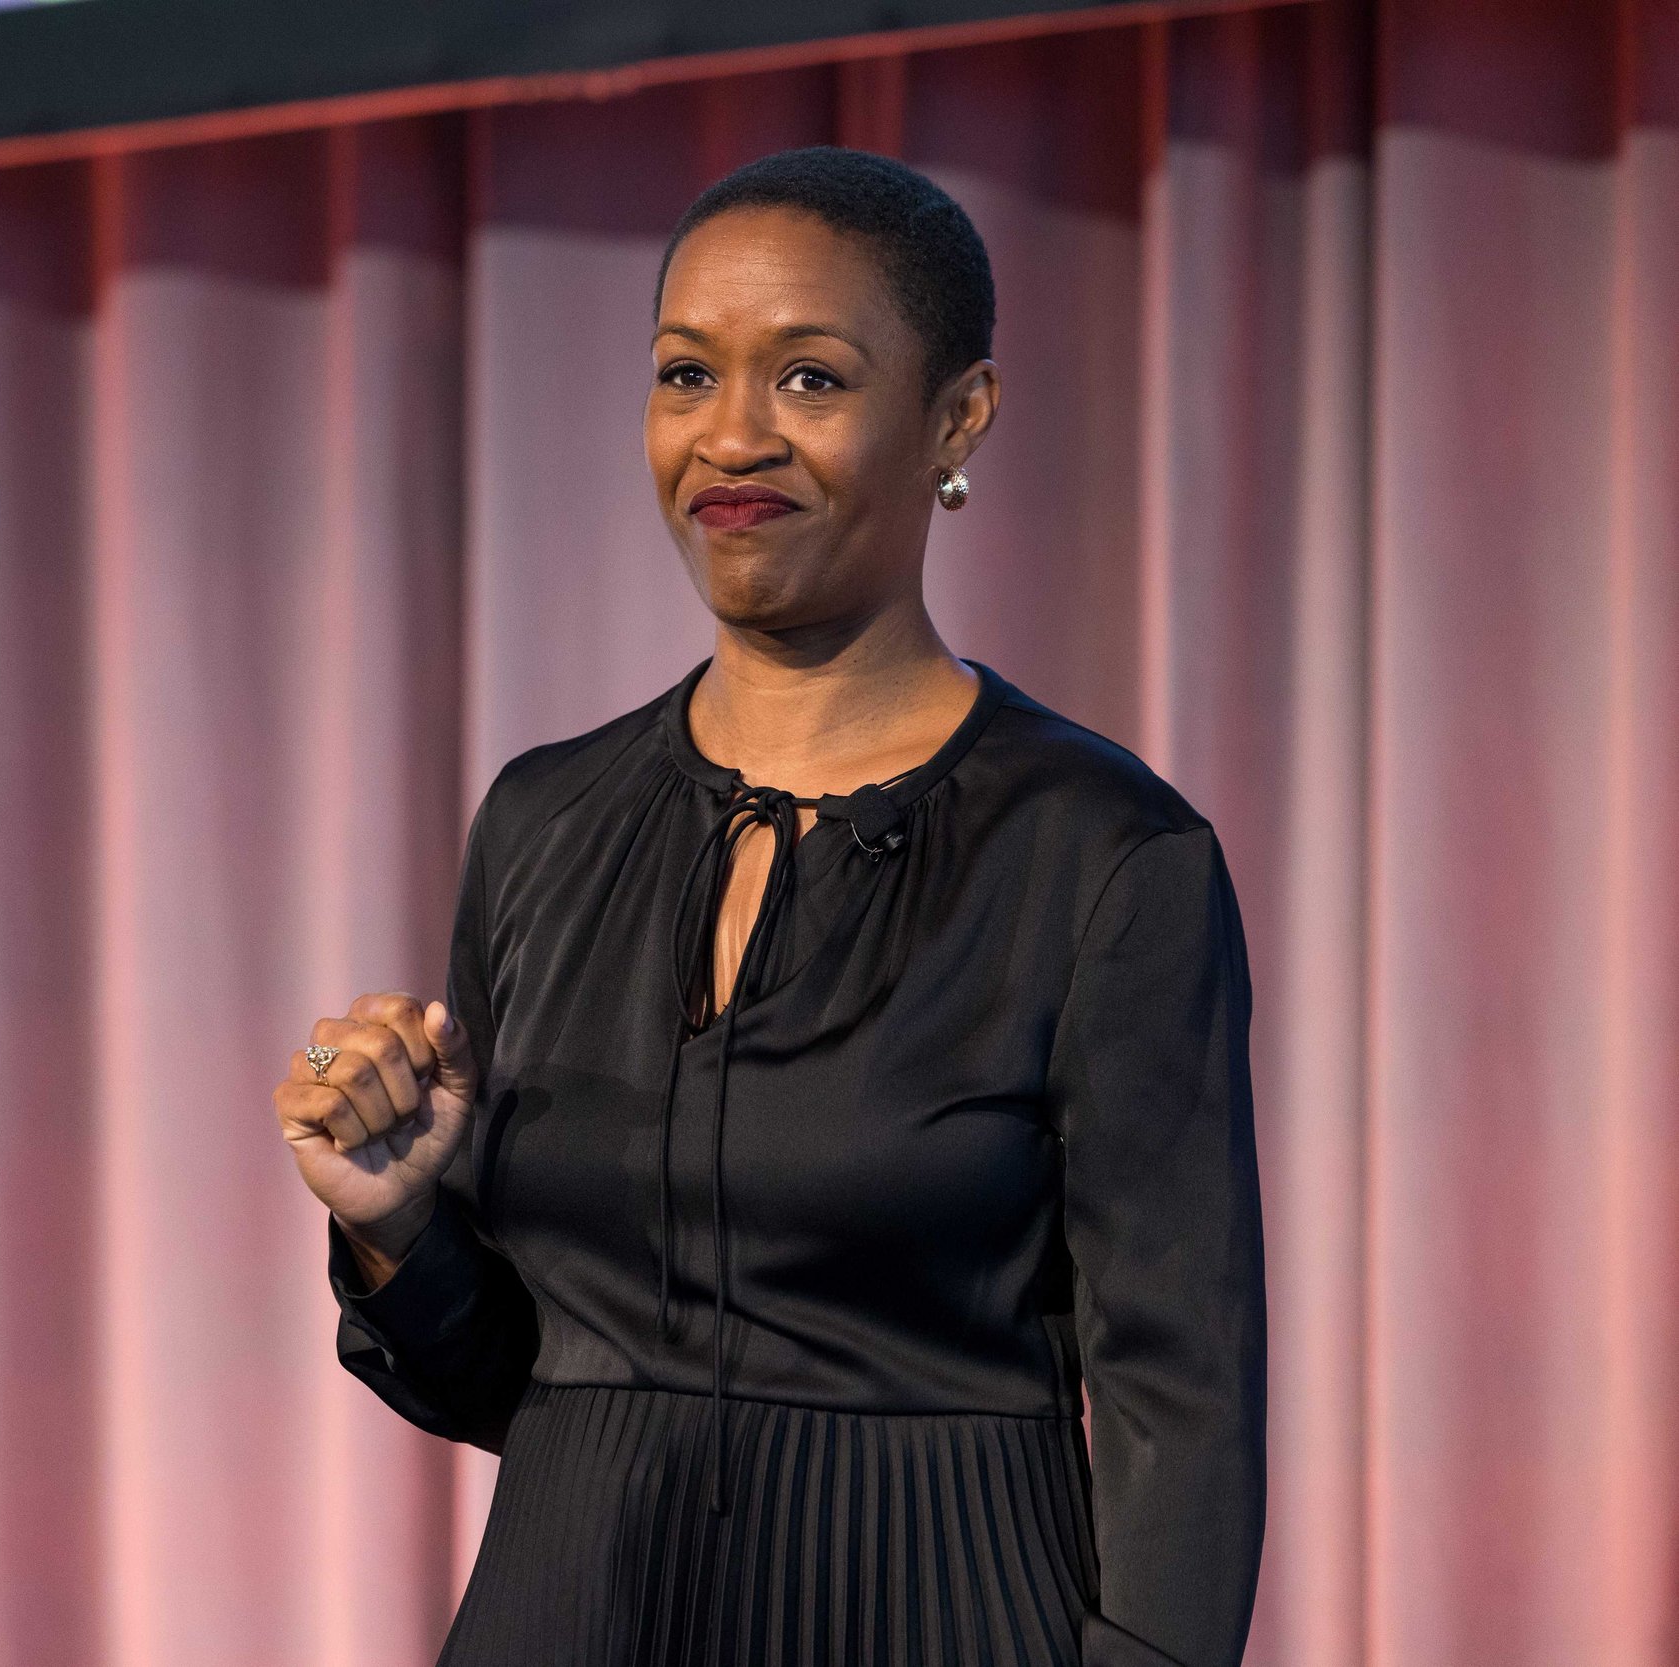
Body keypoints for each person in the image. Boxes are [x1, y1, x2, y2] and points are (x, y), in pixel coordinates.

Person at [271, 146, 1265, 1667]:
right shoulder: (545, 822)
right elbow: (515, 1384)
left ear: (957, 417)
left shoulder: (1103, 855)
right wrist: (397, 1221)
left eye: (809, 379)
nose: (731, 435)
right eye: (687, 374)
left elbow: (1179, 1408)